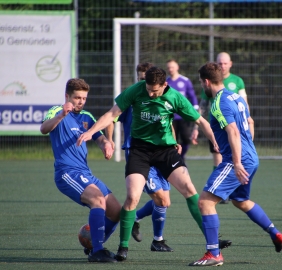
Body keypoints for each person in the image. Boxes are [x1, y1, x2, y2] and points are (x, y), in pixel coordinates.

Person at [77, 66, 231, 262]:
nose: (151, 93)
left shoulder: (174, 97)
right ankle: (123, 247)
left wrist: (215, 141)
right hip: (139, 151)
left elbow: (201, 121)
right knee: (132, 197)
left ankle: (212, 242)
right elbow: (111, 114)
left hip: (165, 151)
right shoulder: (136, 90)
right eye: (148, 89)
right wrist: (92, 132)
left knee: (189, 190)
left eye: (155, 90)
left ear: (165, 85)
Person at [189, 62, 282, 267]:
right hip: (251, 157)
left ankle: (213, 254)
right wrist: (246, 149)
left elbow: (233, 132)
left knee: (205, 202)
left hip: (238, 160)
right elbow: (250, 122)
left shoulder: (218, 102)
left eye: (201, 83)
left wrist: (236, 162)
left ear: (207, 82)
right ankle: (275, 233)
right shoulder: (236, 97)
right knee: (240, 200)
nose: (202, 86)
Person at [40, 78, 121, 263]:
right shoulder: (56, 111)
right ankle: (98, 251)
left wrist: (106, 145)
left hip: (85, 172)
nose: (81, 102)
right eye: (77, 97)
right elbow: (44, 129)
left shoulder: (87, 117)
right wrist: (61, 115)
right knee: (98, 201)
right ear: (67, 96)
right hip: (67, 173)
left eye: (84, 98)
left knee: (116, 211)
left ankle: (93, 245)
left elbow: (99, 138)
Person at [105, 62, 175, 252]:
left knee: (165, 201)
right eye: (142, 78)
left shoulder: (161, 97)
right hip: (138, 152)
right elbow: (111, 117)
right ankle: (111, 238)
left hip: (161, 152)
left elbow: (167, 121)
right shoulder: (133, 96)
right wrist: (109, 140)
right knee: (157, 197)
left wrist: (173, 142)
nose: (146, 83)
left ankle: (154, 237)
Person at [192, 52, 254, 204]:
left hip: (230, 128)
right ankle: (221, 190)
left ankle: (219, 190)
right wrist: (196, 127)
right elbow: (203, 106)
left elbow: (244, 109)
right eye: (220, 63)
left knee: (205, 202)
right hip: (219, 126)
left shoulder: (236, 82)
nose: (223, 65)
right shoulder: (214, 91)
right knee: (241, 202)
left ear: (230, 64)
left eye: (225, 63)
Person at [166, 59, 199, 161]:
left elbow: (192, 96)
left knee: (186, 138)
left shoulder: (185, 81)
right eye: (168, 67)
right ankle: (173, 159)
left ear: (177, 67)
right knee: (171, 140)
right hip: (170, 117)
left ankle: (181, 156)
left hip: (183, 116)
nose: (170, 69)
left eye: (172, 67)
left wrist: (195, 107)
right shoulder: (166, 82)